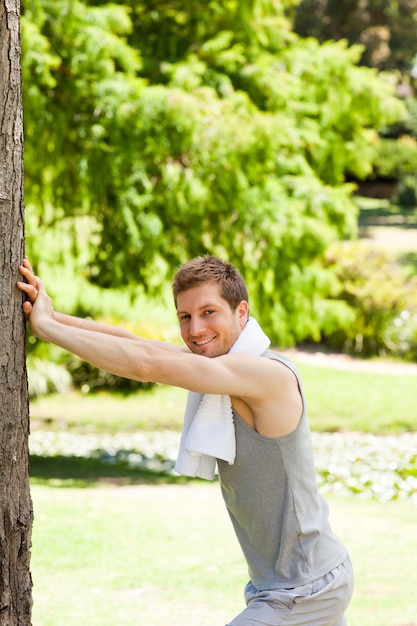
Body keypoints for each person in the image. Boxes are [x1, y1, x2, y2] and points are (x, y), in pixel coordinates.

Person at [17, 255, 354, 626]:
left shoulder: (264, 374)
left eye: (209, 312)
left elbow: (147, 364)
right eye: (185, 317)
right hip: (280, 584)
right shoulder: (224, 366)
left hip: (305, 587)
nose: (195, 330)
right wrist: (52, 315)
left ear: (241, 312)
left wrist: (47, 329)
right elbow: (140, 344)